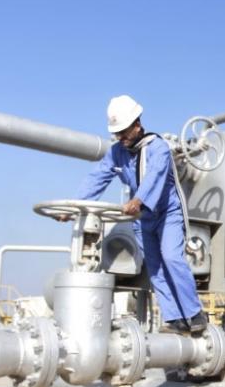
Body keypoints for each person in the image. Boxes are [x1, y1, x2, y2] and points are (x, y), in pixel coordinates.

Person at [75, 94, 206, 335]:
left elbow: (154, 176)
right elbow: (98, 176)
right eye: (117, 133)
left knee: (172, 258)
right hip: (142, 219)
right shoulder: (117, 153)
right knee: (154, 268)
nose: (120, 137)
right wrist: (77, 205)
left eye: (123, 131)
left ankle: (194, 313)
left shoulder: (158, 148)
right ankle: (175, 318)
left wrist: (138, 200)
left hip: (167, 214)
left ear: (137, 124)